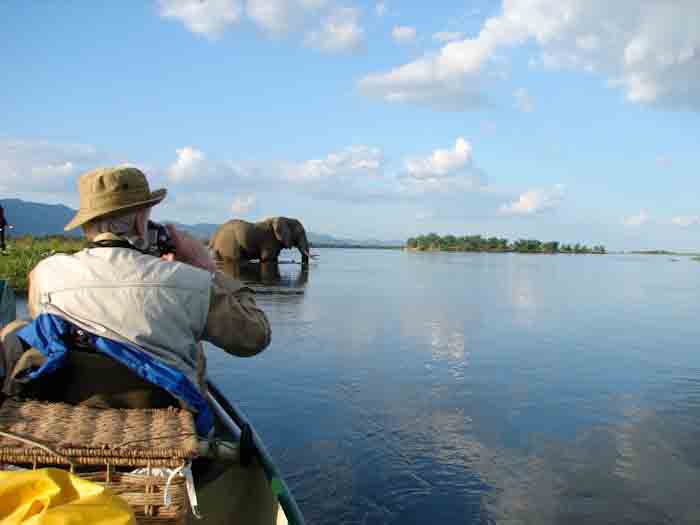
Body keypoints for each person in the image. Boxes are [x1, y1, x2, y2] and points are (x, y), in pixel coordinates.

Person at [0, 166, 271, 435]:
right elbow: (253, 337)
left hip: (67, 414)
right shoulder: (190, 282)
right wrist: (206, 268)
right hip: (164, 425)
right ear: (142, 222)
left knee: (20, 328)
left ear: (86, 226)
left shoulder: (45, 274)